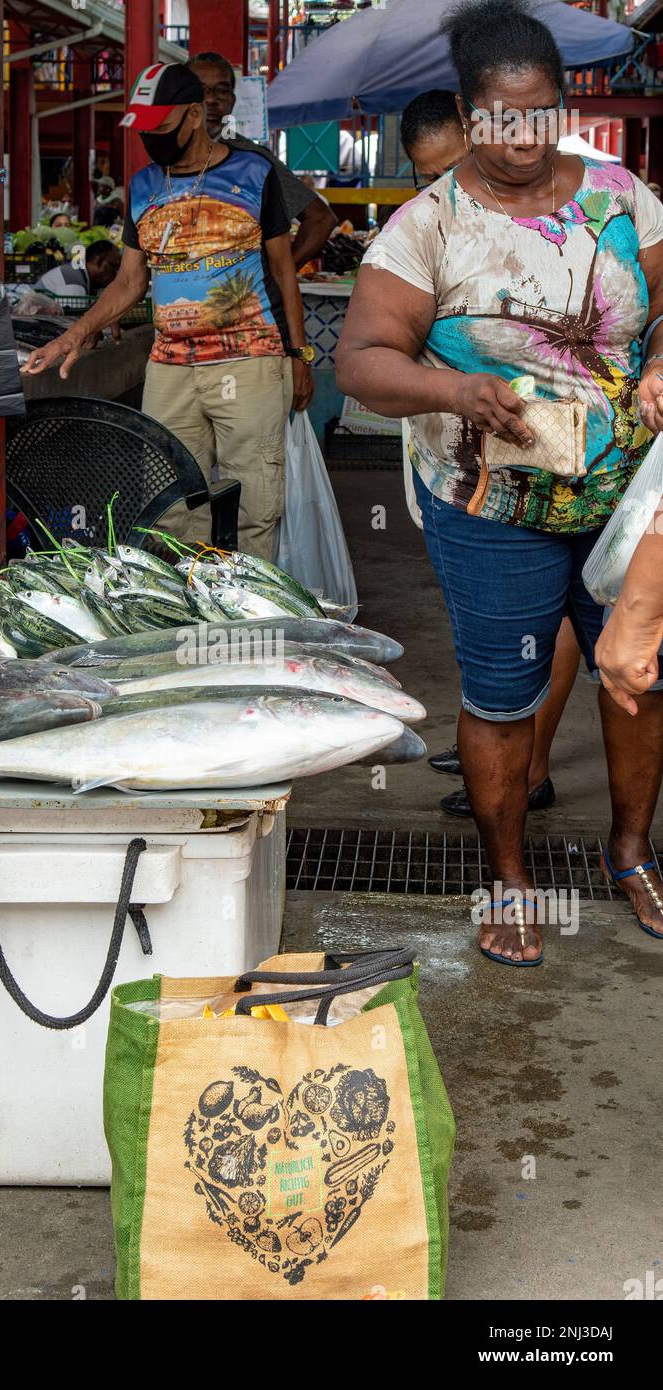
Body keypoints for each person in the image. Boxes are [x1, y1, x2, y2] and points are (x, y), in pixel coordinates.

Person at [337, 0, 663, 966]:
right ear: (472, 113)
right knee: (502, 694)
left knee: (642, 676)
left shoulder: (621, 196)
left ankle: (633, 852)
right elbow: (360, 358)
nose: (520, 139)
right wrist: (452, 388)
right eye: (499, 118)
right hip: (493, 505)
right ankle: (509, 879)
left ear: (560, 107)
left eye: (539, 115)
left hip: (624, 502)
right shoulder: (426, 226)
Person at [22, 62, 314, 561]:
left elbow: (284, 270)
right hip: (169, 367)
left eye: (160, 127)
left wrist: (299, 353)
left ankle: (246, 621)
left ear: (196, 115)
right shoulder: (142, 187)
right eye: (143, 130)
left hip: (249, 360)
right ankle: (187, 614)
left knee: (256, 501)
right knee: (171, 507)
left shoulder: (254, 172)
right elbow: (130, 281)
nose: (150, 140)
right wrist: (76, 332)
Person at [400, 87, 582, 816]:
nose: (448, 191)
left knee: (558, 605)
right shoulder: (429, 224)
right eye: (427, 176)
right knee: (492, 611)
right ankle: (496, 737)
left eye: (455, 170)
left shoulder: (555, 220)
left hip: (542, 441)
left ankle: (529, 764)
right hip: (452, 443)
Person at [188, 51, 338, 269]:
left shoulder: (253, 159)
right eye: (200, 91)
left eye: (222, 91)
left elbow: (320, 219)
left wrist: (276, 280)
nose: (211, 99)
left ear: (232, 100)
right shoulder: (166, 157)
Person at [36, 239, 121, 297]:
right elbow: (75, 319)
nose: (116, 274)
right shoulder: (73, 280)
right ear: (98, 261)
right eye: (113, 266)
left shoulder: (83, 276)